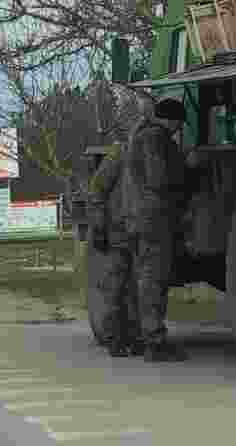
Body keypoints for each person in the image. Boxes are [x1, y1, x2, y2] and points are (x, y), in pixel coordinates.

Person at [123, 97, 199, 362]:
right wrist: (188, 167)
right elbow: (159, 178)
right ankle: (155, 341)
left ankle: (140, 336)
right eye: (178, 124)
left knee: (143, 278)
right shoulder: (155, 138)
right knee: (154, 279)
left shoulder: (139, 135)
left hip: (138, 218)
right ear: (173, 120)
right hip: (154, 219)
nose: (178, 130)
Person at [87, 141, 144, 357]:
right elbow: (97, 189)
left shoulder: (144, 151)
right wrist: (99, 225)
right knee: (116, 287)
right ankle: (115, 338)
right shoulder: (121, 153)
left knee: (137, 288)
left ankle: (136, 337)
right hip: (118, 231)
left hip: (139, 233)